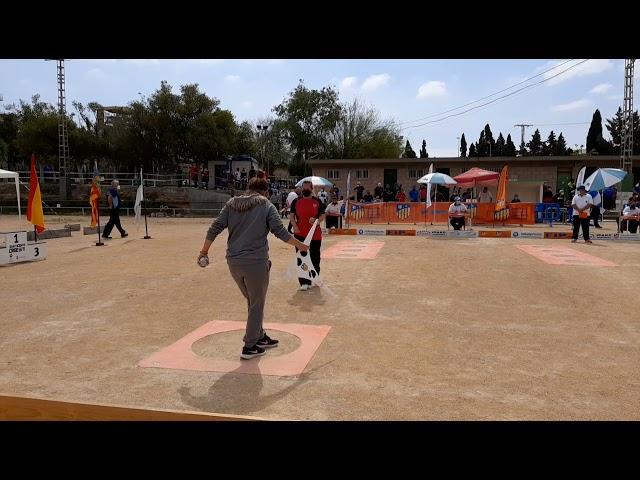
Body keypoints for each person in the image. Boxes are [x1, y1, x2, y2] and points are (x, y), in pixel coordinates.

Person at [198, 173, 308, 360]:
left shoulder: (231, 204)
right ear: (265, 191)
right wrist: (300, 245)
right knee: (256, 303)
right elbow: (279, 231)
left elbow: (215, 227)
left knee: (252, 300)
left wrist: (204, 252)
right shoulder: (266, 205)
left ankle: (260, 336)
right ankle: (250, 346)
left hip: (233, 262)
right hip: (255, 262)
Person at [290, 180, 326, 291]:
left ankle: (315, 279)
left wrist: (316, 221)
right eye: (303, 188)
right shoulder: (296, 201)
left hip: (314, 236)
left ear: (311, 188)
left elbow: (323, 215)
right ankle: (304, 282)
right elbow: (291, 216)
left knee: (315, 258)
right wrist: (295, 226)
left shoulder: (318, 201)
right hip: (300, 235)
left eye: (307, 188)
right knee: (302, 258)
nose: (305, 189)